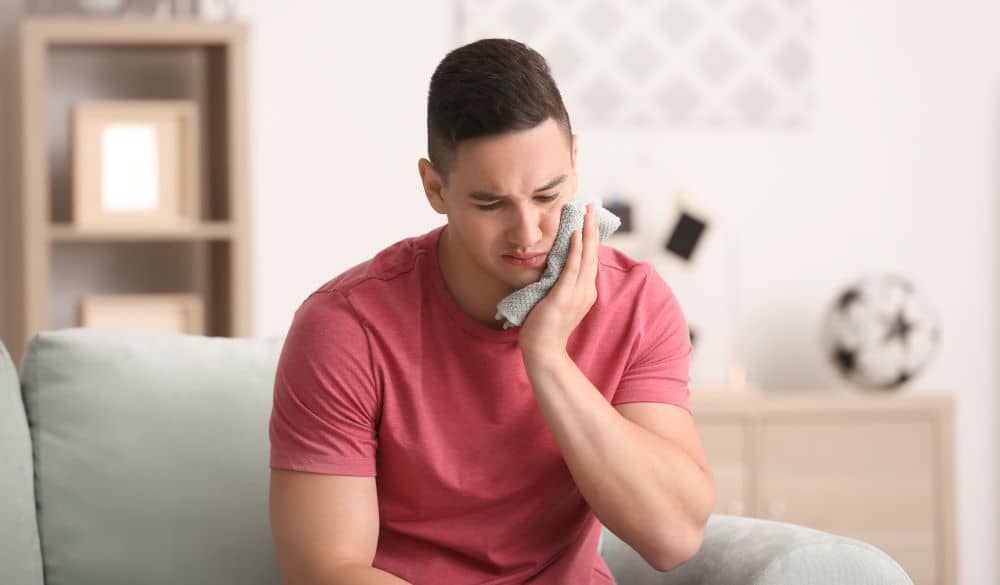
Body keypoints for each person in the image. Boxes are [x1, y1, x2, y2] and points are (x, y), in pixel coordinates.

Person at [268, 38, 715, 585]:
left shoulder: (635, 302)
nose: (528, 232)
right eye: (490, 203)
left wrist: (547, 357)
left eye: (548, 196)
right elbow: (326, 569)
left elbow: (674, 537)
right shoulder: (345, 328)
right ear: (435, 187)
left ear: (575, 159)